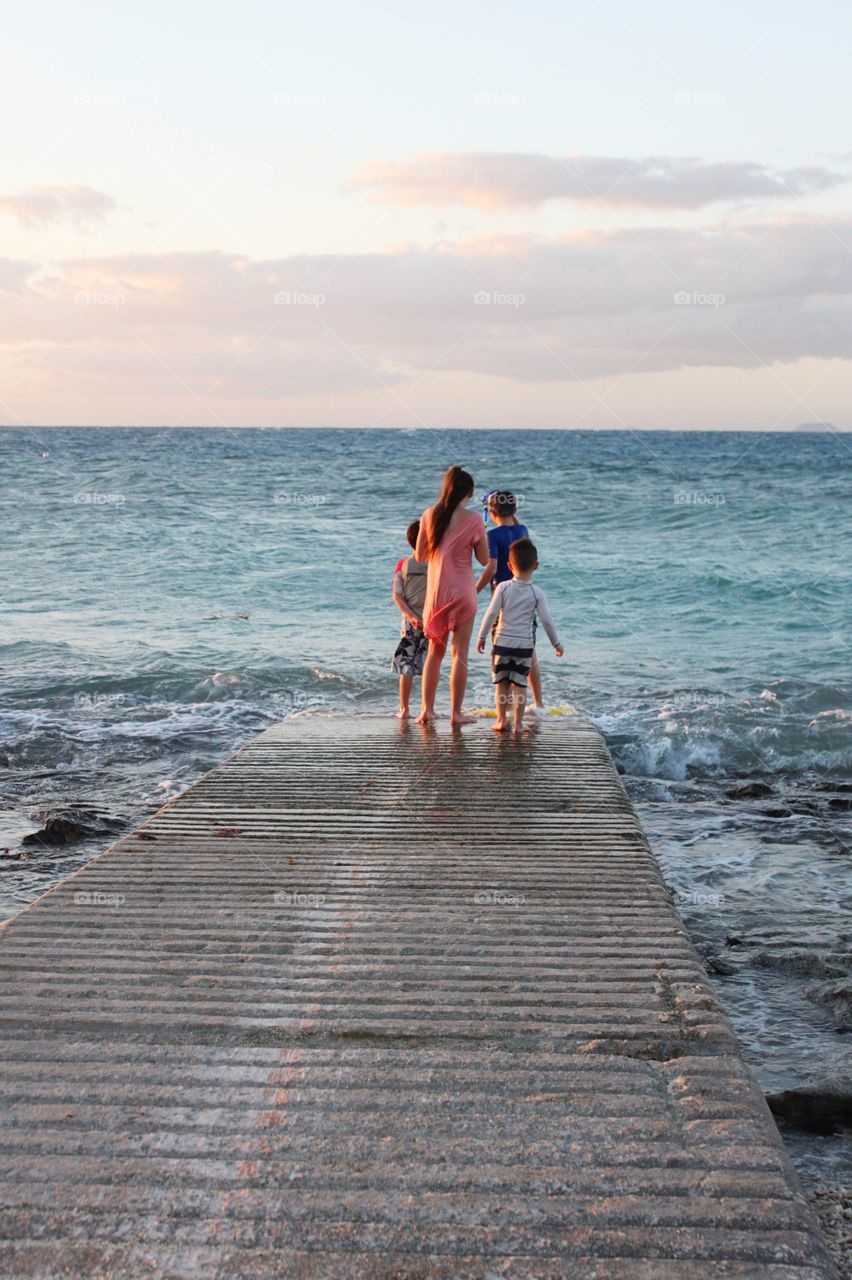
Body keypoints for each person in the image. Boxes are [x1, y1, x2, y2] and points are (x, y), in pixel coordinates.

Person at [416, 466, 490, 725]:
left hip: (437, 594)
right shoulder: (474, 520)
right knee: (460, 655)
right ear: (468, 493)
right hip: (463, 592)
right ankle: (456, 713)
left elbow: (420, 556)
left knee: (435, 653)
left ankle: (426, 710)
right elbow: (483, 559)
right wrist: (482, 533)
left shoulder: (429, 516)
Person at [476, 537, 563, 733]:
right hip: (524, 647)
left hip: (502, 642)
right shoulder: (537, 593)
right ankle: (517, 724)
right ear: (536, 566)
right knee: (520, 685)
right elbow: (547, 621)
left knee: (502, 683)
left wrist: (481, 636)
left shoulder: (503, 587)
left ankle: (501, 721)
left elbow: (491, 613)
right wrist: (556, 644)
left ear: (509, 565)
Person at [475, 489, 545, 713]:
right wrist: (499, 505)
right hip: (524, 593)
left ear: (491, 511)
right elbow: (513, 523)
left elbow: (492, 568)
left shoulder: (493, 535)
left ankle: (502, 706)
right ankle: (538, 702)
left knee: (501, 647)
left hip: (503, 594)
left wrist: (474, 590)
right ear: (514, 510)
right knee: (528, 646)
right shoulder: (522, 530)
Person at [391, 520, 429, 719]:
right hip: (431, 620)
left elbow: (397, 595)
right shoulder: (436, 563)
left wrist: (411, 616)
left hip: (409, 622)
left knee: (406, 665)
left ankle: (404, 709)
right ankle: (426, 708)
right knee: (428, 664)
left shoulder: (403, 565)